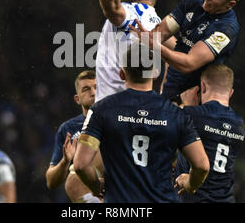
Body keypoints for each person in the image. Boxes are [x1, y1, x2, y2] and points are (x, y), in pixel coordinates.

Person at [73, 44, 210, 202]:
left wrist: (96, 187)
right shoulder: (176, 114)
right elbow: (202, 165)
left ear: (122, 74)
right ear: (155, 73)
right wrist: (191, 184)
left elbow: (81, 165)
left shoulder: (101, 110)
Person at [130, 0, 245, 103]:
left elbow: (188, 64)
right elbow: (159, 34)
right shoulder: (192, 2)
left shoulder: (225, 30)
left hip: (195, 98)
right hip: (170, 89)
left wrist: (155, 46)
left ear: (230, 4)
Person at [94, 0, 175, 102]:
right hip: (136, 106)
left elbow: (112, 7)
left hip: (112, 106)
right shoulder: (156, 22)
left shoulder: (135, 12)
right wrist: (166, 92)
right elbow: (181, 53)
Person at [175, 64, 245, 203]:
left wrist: (186, 105)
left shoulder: (191, 115)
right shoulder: (240, 124)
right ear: (231, 92)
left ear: (203, 87)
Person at [45, 70, 103, 203]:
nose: (93, 93)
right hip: (91, 191)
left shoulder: (116, 119)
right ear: (78, 99)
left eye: (96, 88)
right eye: (86, 89)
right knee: (74, 178)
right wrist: (65, 161)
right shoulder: (68, 129)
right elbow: (51, 182)